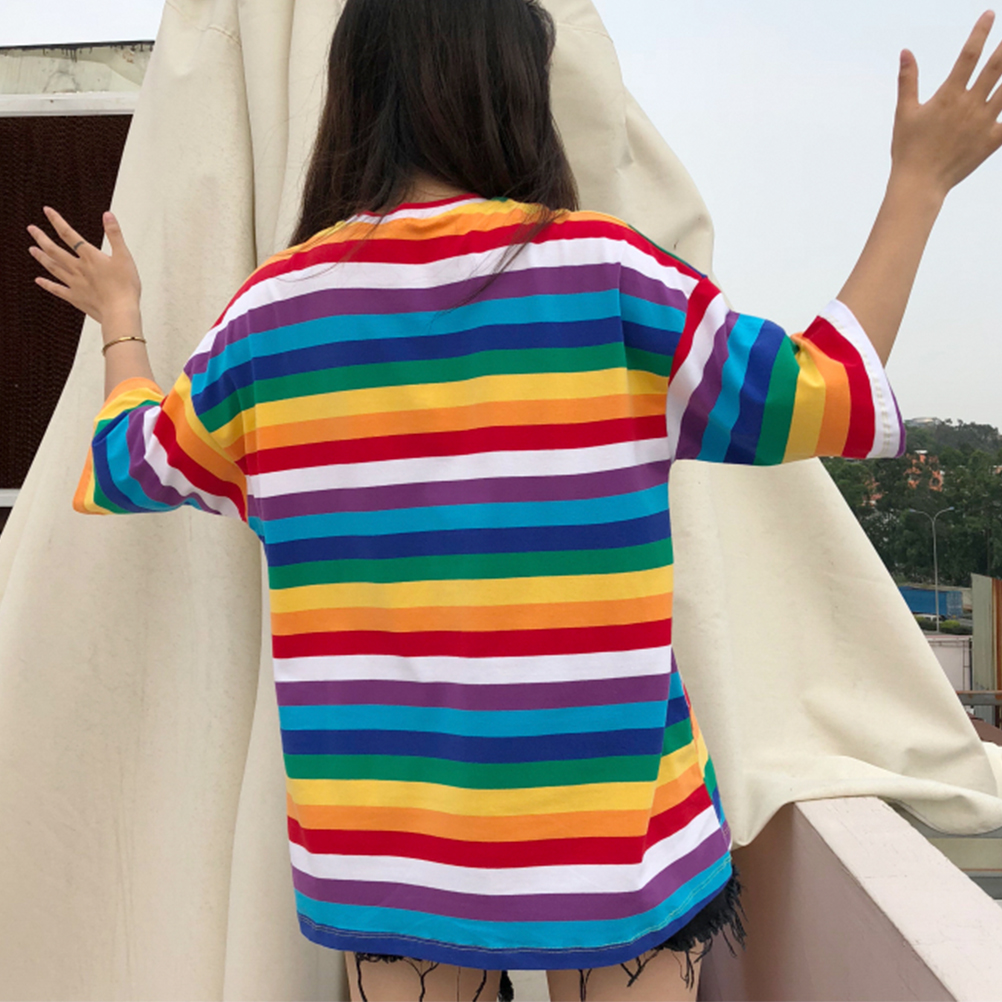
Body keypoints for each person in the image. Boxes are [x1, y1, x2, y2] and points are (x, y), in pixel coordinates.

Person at [26, 1, 1002, 999]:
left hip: (391, 864)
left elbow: (126, 464)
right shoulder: (610, 279)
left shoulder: (270, 320)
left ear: (357, 93)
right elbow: (831, 396)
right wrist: (919, 184)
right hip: (620, 848)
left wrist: (123, 322)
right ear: (513, 89)